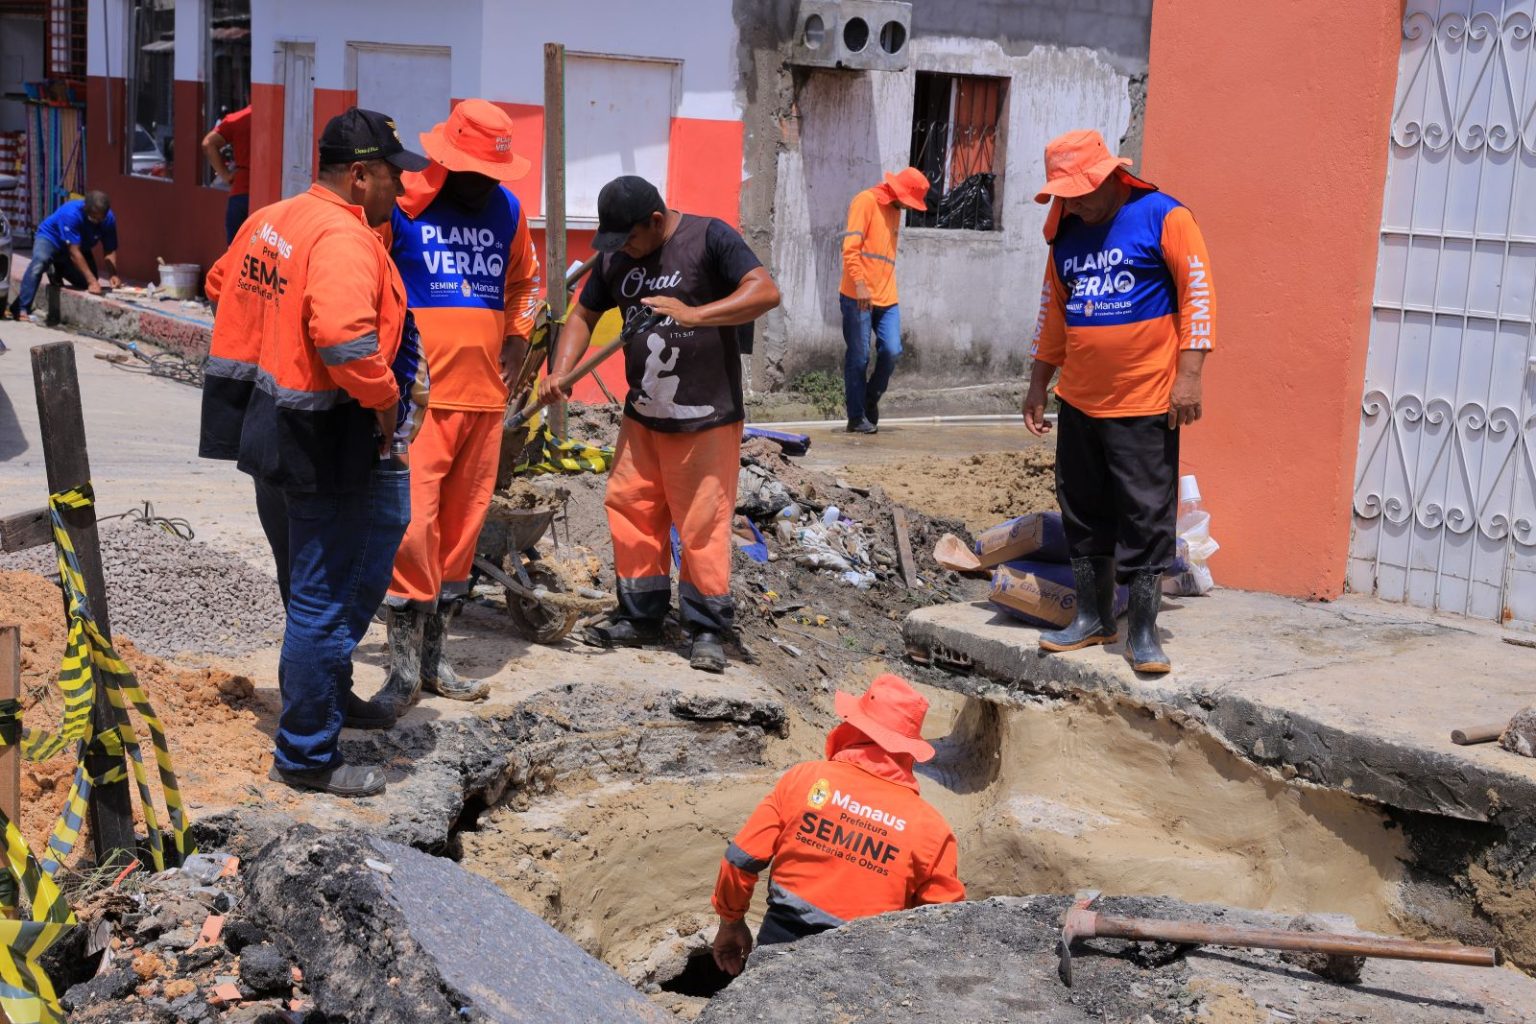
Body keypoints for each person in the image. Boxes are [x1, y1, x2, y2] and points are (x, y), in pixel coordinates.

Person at [199, 107, 430, 798]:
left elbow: (219, 283)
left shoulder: (272, 219)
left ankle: (327, 692)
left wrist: (277, 332)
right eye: (392, 176)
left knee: (319, 584)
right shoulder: (342, 238)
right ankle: (305, 755)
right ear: (359, 175)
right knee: (323, 601)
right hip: (324, 438)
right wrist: (385, 399)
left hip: (273, 429)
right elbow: (344, 339)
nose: (401, 189)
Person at [547, 176, 780, 673]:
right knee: (632, 508)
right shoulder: (616, 257)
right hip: (643, 416)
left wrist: (696, 315)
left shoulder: (709, 237)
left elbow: (765, 292)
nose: (623, 249)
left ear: (655, 221)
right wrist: (561, 372)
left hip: (705, 417)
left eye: (630, 238)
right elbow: (584, 315)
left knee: (702, 523)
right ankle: (641, 616)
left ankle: (706, 628)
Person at [1022, 129, 1217, 675]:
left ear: (1110, 176)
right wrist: (1038, 384)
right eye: (1065, 195)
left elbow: (1199, 296)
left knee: (1145, 515)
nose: (1074, 204)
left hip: (1146, 399)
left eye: (1081, 192)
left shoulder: (1164, 216)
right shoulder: (1066, 233)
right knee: (1083, 509)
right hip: (1080, 400)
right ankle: (1093, 617)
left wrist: (1190, 376)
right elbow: (1053, 313)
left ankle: (1144, 631)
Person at [375, 99, 541, 712]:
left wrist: (518, 339)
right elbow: (369, 275)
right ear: (447, 160)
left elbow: (525, 284)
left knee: (461, 533)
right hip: (420, 402)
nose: (487, 182)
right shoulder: (404, 204)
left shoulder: (510, 210)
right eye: (477, 171)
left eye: (495, 172)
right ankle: (401, 671)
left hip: (484, 404)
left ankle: (435, 660)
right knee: (413, 530)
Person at [709, 674, 964, 975]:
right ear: (909, 749)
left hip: (778, 952)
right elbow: (942, 928)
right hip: (866, 971)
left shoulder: (804, 779)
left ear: (854, 725)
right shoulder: (932, 829)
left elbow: (739, 861)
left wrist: (731, 922)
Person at [838, 167, 929, 434]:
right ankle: (856, 417)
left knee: (892, 350)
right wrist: (860, 284)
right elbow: (850, 248)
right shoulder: (865, 201)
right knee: (859, 358)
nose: (908, 207)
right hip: (858, 295)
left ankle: (870, 398)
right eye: (909, 201)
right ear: (898, 192)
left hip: (887, 296)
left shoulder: (895, 210)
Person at [7, 191, 120, 323]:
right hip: (51, 239)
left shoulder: (108, 219)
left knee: (85, 282)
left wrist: (113, 274)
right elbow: (74, 253)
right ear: (85, 209)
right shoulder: (71, 213)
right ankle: (22, 308)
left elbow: (109, 249)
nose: (97, 222)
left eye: (101, 218)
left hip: (78, 246)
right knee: (40, 262)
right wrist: (92, 281)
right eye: (94, 218)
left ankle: (56, 267)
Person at [202, 104, 253, 243]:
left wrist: (225, 175)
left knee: (235, 250)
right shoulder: (282, 116)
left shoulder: (238, 119)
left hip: (241, 193)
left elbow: (208, 143)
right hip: (271, 196)